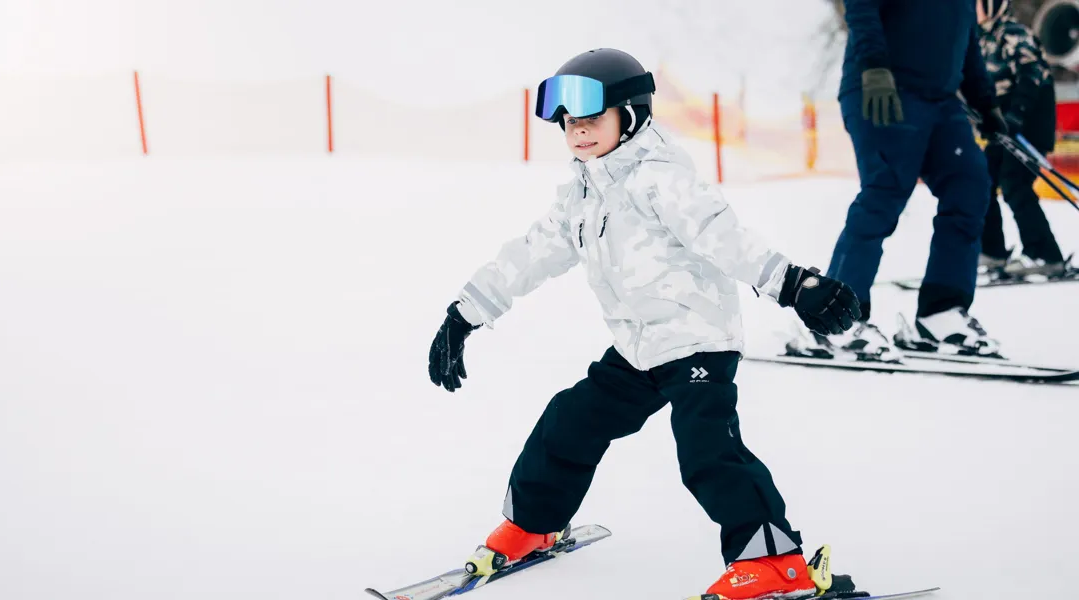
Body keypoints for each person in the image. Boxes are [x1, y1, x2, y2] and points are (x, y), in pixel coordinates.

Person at [426, 48, 861, 600]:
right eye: (569, 124)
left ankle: (774, 561)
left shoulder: (662, 180)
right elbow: (531, 253)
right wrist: (464, 314)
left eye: (591, 120)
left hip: (697, 341)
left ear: (629, 116)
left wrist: (795, 284)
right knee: (569, 422)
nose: (577, 133)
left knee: (707, 448)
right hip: (638, 349)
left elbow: (725, 238)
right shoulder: (583, 193)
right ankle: (535, 524)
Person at [825, 0, 1009, 359]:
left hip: (941, 99)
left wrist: (985, 101)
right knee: (885, 192)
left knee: (970, 186)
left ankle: (940, 311)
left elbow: (965, 38)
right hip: (884, 86)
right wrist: (874, 66)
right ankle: (838, 317)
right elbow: (861, 8)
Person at [976, 0, 1069, 277]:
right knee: (981, 178)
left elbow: (1033, 75)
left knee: (1014, 183)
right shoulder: (982, 39)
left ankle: (1044, 254)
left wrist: (1016, 115)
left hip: (1028, 124)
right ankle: (992, 252)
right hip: (1003, 127)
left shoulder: (1014, 33)